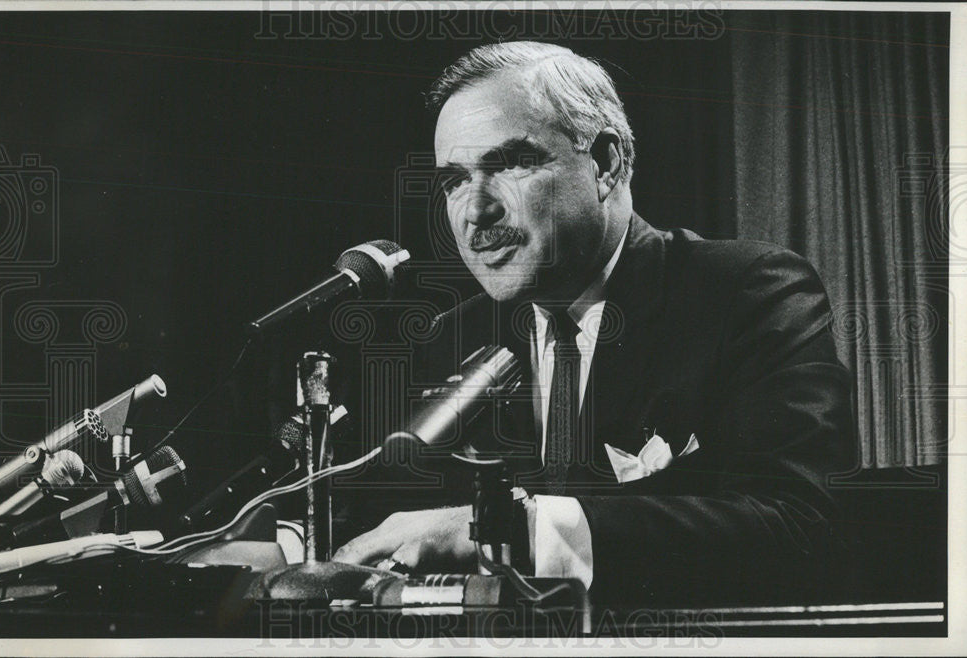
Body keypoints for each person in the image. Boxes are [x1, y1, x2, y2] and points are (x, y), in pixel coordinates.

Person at [332, 41, 856, 605]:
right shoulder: (451, 338)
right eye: (454, 180)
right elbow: (372, 522)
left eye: (507, 164)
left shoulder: (747, 293)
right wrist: (287, 546)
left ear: (606, 164)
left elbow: (800, 525)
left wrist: (517, 530)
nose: (475, 212)